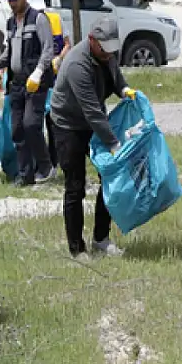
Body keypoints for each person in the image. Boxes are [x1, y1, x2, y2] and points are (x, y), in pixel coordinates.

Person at [49, 16, 137, 259]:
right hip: (68, 126)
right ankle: (77, 250)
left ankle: (101, 239)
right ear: (91, 40)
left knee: (109, 177)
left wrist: (124, 90)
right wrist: (113, 144)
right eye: (104, 48)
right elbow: (92, 112)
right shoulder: (77, 64)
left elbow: (116, 78)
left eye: (112, 48)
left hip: (93, 120)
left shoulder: (107, 53)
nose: (109, 53)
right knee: (75, 186)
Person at [0, 0, 56, 186]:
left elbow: (48, 49)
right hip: (17, 83)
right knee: (17, 130)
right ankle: (25, 175)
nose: (12, 4)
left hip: (36, 82)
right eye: (9, 0)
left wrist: (39, 72)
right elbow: (9, 50)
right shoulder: (11, 22)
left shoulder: (39, 19)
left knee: (31, 124)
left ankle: (46, 167)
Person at [26, 0, 71, 170]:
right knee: (34, 123)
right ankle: (38, 162)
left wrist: (59, 59)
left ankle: (55, 159)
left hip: (55, 78)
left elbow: (67, 43)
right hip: (35, 77)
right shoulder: (26, 21)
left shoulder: (55, 19)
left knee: (53, 120)